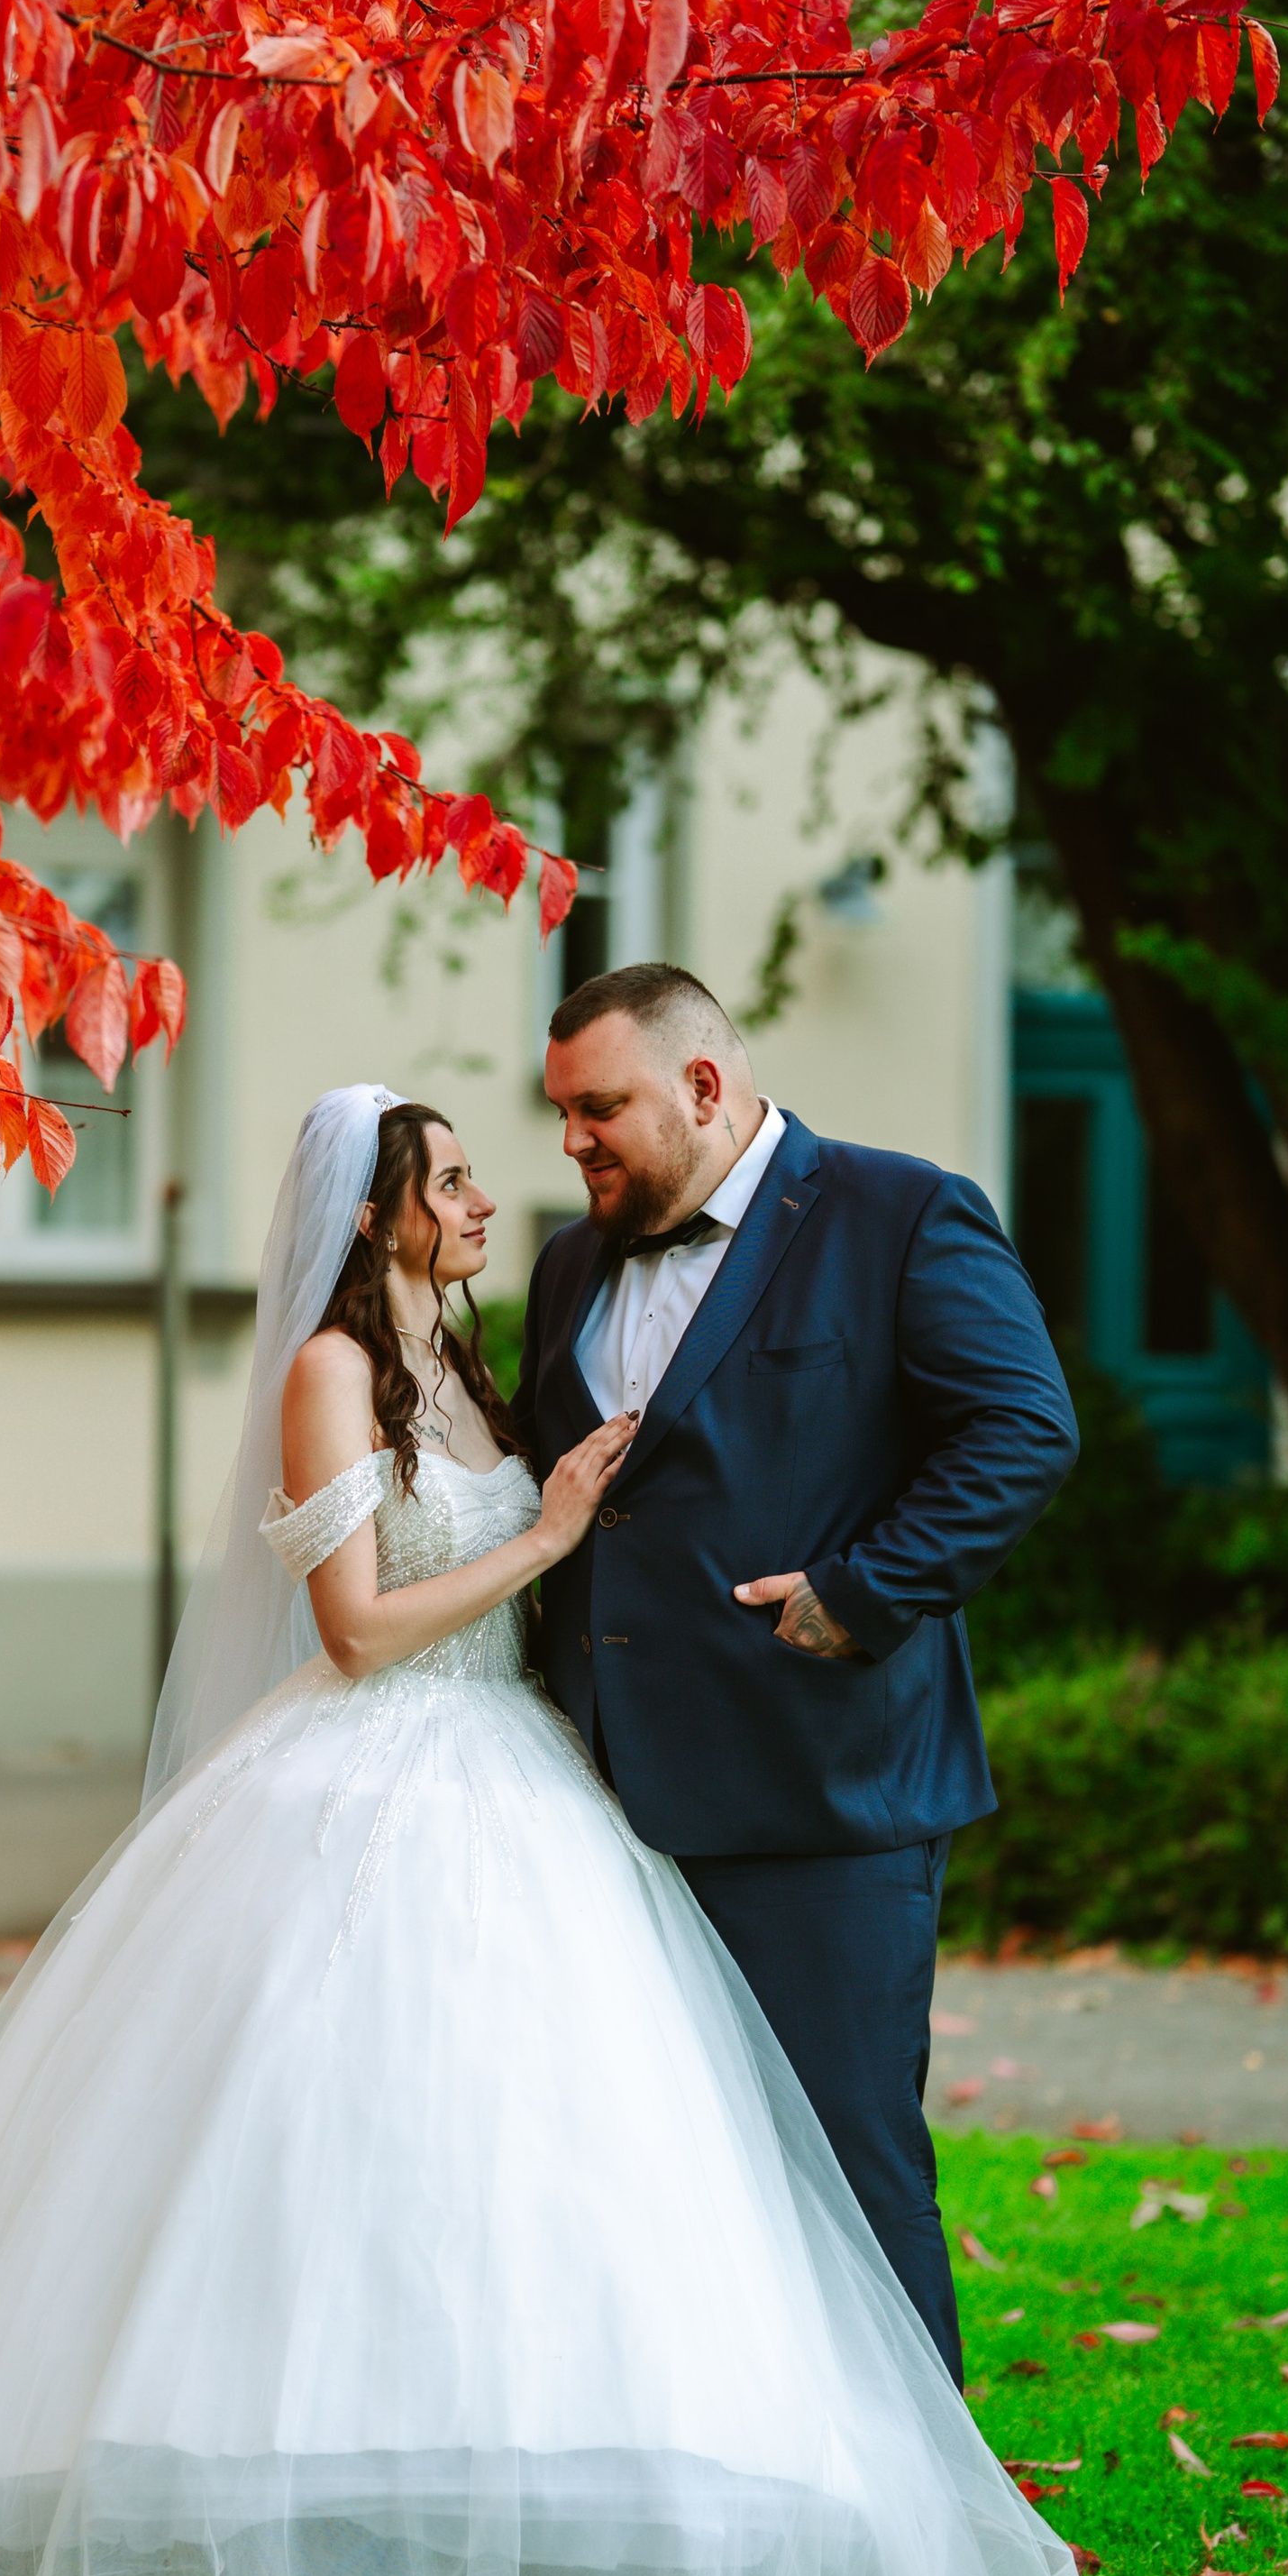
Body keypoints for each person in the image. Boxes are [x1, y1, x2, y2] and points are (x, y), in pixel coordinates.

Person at [0, 1085, 1079, 2576]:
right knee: (322, 2138)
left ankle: (594, 2477)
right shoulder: (330, 1373)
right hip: (372, 1771)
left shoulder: (471, 1364)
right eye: (452, 1181)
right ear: (376, 1215)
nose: (492, 1199)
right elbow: (358, 1629)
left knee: (534, 2151)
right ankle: (271, 2475)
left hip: (526, 1775)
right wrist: (550, 1536)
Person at [521, 965, 1081, 2385]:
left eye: (600, 1108)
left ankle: (922, 2510)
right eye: (561, 1112)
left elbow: (1023, 1428)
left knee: (846, 2168)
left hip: (824, 1794)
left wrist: (864, 1590)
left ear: (705, 1085)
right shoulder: (569, 1262)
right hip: (603, 1813)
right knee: (654, 2180)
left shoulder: (902, 1214)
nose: (573, 1141)